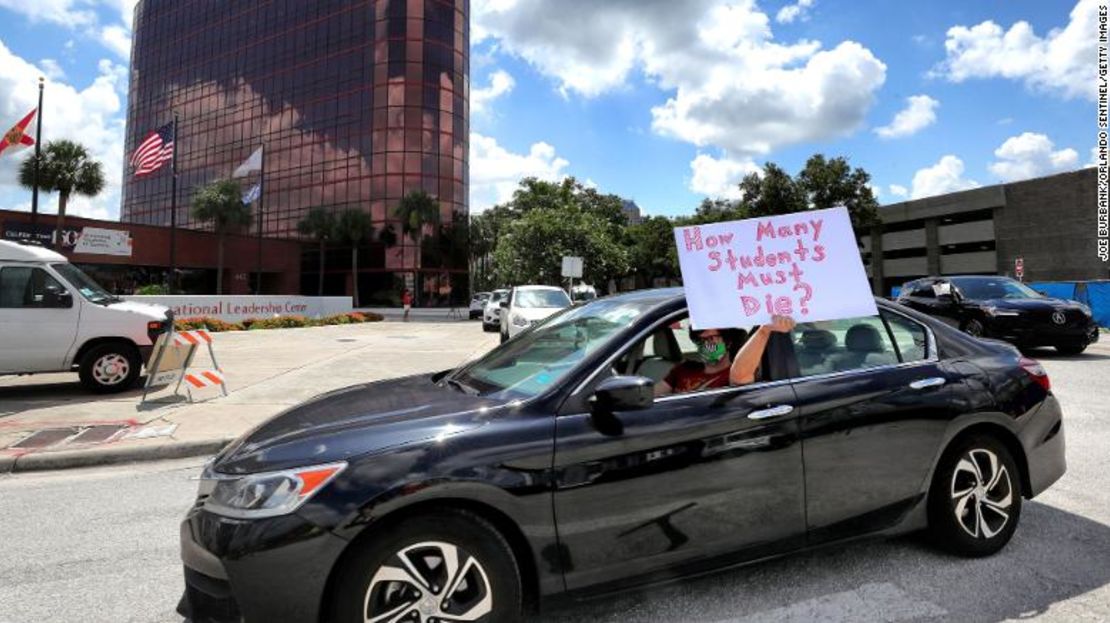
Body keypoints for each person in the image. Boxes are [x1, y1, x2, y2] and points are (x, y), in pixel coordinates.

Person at [655, 315, 796, 396]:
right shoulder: (683, 369)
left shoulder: (733, 374)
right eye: (701, 340)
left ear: (728, 342)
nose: (706, 345)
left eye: (712, 338)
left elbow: (740, 375)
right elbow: (651, 396)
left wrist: (764, 330)